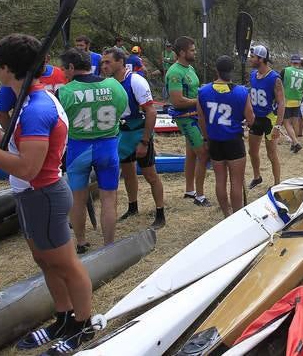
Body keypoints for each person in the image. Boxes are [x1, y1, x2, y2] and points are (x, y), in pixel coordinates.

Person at [0, 35, 96, 354]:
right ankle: (63, 317)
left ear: (8, 68)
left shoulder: (37, 107)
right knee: (45, 260)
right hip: (29, 196)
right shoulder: (26, 101)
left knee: (66, 264)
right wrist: (0, 136)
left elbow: (28, 168)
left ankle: (84, 325)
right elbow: (24, 148)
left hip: (43, 194)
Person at [57, 48, 127, 253]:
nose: (63, 73)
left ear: (71, 67)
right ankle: (109, 245)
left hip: (78, 148)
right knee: (109, 199)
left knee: (77, 200)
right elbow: (122, 110)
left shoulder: (64, 92)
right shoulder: (114, 85)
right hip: (108, 146)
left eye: (64, 69)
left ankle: (80, 242)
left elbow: (59, 122)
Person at [102, 47, 165, 229]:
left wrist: (144, 141)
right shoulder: (108, 83)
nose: (104, 66)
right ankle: (132, 207)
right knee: (128, 172)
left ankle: (160, 213)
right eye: (103, 62)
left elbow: (151, 112)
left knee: (150, 175)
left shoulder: (136, 81)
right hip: (121, 133)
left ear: (120, 62)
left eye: (108, 62)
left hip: (138, 132)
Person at [198, 56, 254, 216]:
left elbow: (201, 118)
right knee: (236, 182)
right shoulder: (241, 92)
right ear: (232, 71)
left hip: (215, 141)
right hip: (233, 141)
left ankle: (226, 215)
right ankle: (236, 217)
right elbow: (251, 118)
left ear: (216, 71)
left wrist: (206, 138)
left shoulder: (203, 91)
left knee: (220, 180)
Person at [165, 36, 211, 207]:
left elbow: (193, 91)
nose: (195, 52)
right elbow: (177, 101)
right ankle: (200, 196)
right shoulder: (175, 73)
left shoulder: (189, 68)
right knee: (203, 154)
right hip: (186, 118)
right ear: (182, 52)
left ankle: (190, 190)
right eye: (192, 50)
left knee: (191, 154)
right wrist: (200, 101)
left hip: (195, 115)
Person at [248, 44, 286, 188]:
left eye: (253, 57)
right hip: (256, 118)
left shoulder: (274, 78)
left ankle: (277, 183)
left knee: (271, 154)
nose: (250, 59)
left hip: (270, 119)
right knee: (252, 151)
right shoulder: (253, 75)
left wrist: (278, 125)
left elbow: (282, 103)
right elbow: (251, 96)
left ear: (261, 59)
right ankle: (257, 177)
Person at [0, 54, 67, 130]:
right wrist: (12, 133)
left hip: (60, 126)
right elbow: (1, 112)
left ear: (47, 58)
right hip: (31, 126)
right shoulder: (17, 79)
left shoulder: (62, 74)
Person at [280, 54, 303, 153]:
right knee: (295, 122)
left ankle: (296, 142)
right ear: (299, 63)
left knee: (287, 123)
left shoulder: (286, 71)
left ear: (291, 62)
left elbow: (278, 84)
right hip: (297, 101)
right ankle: (293, 144)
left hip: (286, 100)